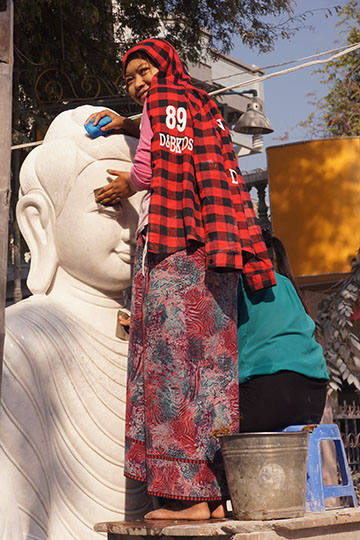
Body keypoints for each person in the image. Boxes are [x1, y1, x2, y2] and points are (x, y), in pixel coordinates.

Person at [87, 38, 276, 521]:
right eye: (130, 79)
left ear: (164, 66)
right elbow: (177, 141)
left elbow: (153, 164)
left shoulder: (163, 101)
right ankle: (213, 498)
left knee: (172, 370)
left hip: (175, 251)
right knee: (211, 373)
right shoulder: (201, 104)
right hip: (216, 249)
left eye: (143, 70)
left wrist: (126, 183)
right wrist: (132, 123)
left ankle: (184, 499)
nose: (137, 84)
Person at [0, 105, 152, 540]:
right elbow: (13, 507)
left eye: (141, 208)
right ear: (40, 220)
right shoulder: (21, 341)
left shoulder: (158, 336)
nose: (133, 226)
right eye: (111, 206)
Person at [237, 234, 329, 433]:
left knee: (212, 431)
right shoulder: (287, 284)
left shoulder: (243, 285)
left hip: (268, 394)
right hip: (314, 398)